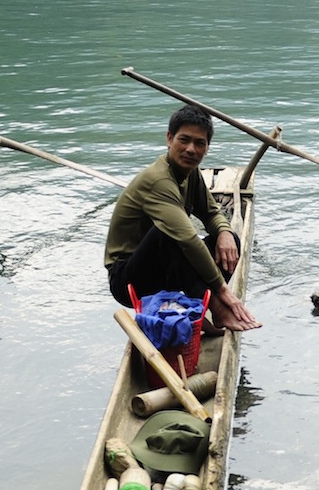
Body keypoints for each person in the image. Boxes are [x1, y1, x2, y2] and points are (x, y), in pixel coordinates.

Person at [103, 106, 260, 331]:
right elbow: (186, 238)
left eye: (199, 143)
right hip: (128, 280)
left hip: (164, 270)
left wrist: (224, 232)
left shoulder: (190, 173)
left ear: (207, 148)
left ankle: (196, 309)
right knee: (168, 235)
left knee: (228, 240)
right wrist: (223, 292)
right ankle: (216, 308)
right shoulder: (158, 181)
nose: (190, 149)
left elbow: (211, 212)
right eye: (184, 140)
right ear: (169, 138)